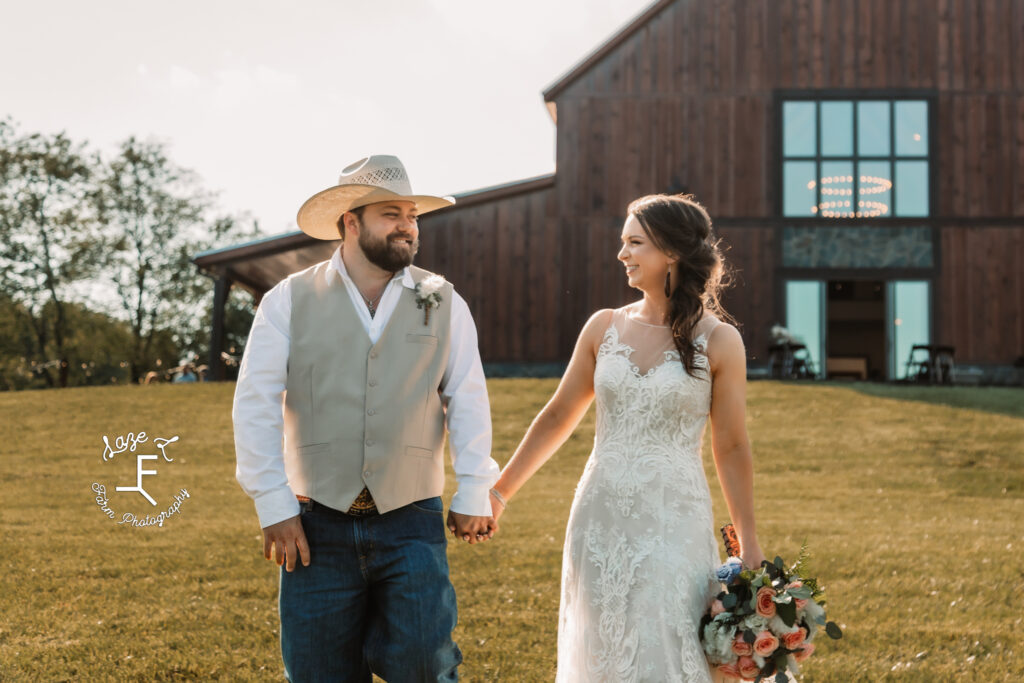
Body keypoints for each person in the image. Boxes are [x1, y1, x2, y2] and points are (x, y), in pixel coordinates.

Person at [232, 155, 501, 682]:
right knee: (317, 673)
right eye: (391, 213)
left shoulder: (441, 299)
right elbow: (254, 400)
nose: (407, 225)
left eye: (412, 214)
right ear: (350, 222)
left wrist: (474, 488)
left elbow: (467, 395)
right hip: (314, 524)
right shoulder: (289, 299)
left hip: (411, 519)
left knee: (426, 667)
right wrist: (271, 500)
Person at [489, 194, 766, 682]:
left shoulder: (720, 340)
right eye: (623, 242)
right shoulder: (603, 326)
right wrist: (499, 493)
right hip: (599, 519)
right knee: (601, 648)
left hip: (672, 518)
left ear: (672, 253)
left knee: (665, 642)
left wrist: (748, 544)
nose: (622, 254)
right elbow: (557, 416)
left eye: (634, 243)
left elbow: (732, 446)